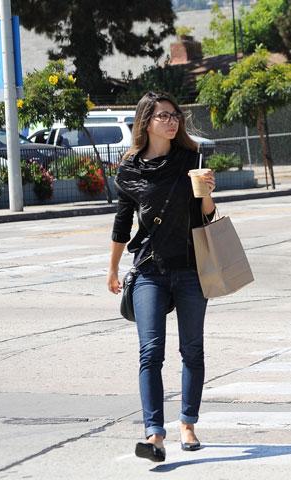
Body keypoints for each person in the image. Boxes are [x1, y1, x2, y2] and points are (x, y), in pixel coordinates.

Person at [107, 91, 216, 463]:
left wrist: (207, 194)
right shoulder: (129, 170)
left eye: (175, 116)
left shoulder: (191, 159)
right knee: (150, 352)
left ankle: (188, 422)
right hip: (150, 268)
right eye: (164, 116)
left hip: (189, 267)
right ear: (146, 122)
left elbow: (205, 219)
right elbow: (123, 223)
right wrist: (112, 268)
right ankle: (154, 434)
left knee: (192, 350)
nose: (172, 122)